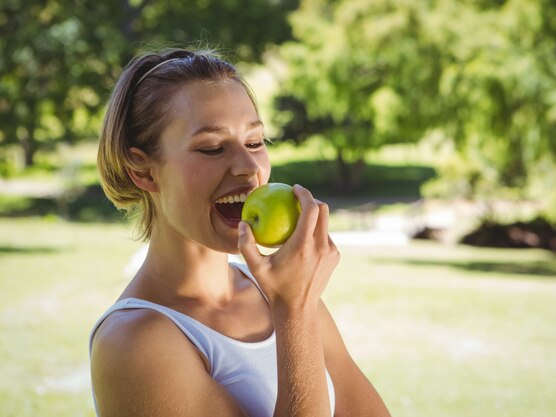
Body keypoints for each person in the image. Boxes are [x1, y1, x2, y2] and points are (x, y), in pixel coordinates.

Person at [89, 47, 391, 417]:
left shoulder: (278, 290)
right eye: (212, 148)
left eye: (254, 142)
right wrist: (295, 312)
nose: (249, 169)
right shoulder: (135, 341)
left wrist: (294, 304)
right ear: (144, 172)